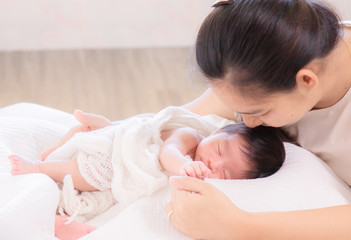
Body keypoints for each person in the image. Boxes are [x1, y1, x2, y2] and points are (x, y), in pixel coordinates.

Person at [67, 0, 351, 239]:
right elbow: (186, 116)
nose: (248, 123)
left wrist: (239, 225)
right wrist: (118, 134)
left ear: (306, 81)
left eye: (258, 112)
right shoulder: (273, 52)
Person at [9, 109, 285, 240]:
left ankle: (61, 221)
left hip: (126, 167)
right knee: (95, 173)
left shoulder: (207, 171)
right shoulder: (190, 136)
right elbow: (168, 153)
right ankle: (39, 167)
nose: (214, 162)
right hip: (120, 149)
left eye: (225, 172)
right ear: (216, 132)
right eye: (221, 149)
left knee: (103, 197)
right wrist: (183, 167)